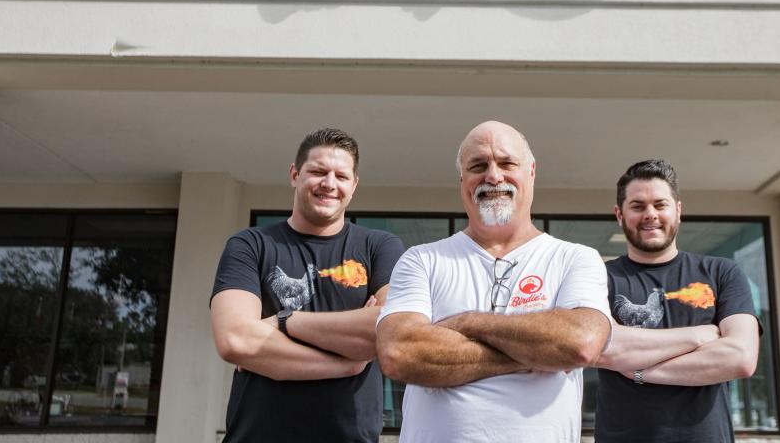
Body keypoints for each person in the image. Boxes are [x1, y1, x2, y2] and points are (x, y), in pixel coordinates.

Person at [376, 120, 612, 443]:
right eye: (478, 165)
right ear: (462, 180)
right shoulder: (422, 260)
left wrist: (468, 322)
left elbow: (580, 343)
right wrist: (535, 355)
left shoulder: (575, 259)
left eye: (506, 162)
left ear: (531, 172)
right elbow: (399, 353)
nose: (493, 175)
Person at [210, 128, 405, 443]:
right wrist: (347, 363)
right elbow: (234, 339)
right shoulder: (251, 244)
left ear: (353, 185)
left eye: (341, 176)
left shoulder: (378, 247)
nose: (329, 184)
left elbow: (390, 329)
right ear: (294, 175)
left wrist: (284, 322)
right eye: (317, 172)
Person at [594, 159, 761, 442]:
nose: (650, 214)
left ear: (678, 211)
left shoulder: (722, 272)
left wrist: (638, 371)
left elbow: (740, 358)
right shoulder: (599, 278)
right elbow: (604, 351)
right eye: (637, 206)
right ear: (619, 215)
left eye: (660, 204)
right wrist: (699, 336)